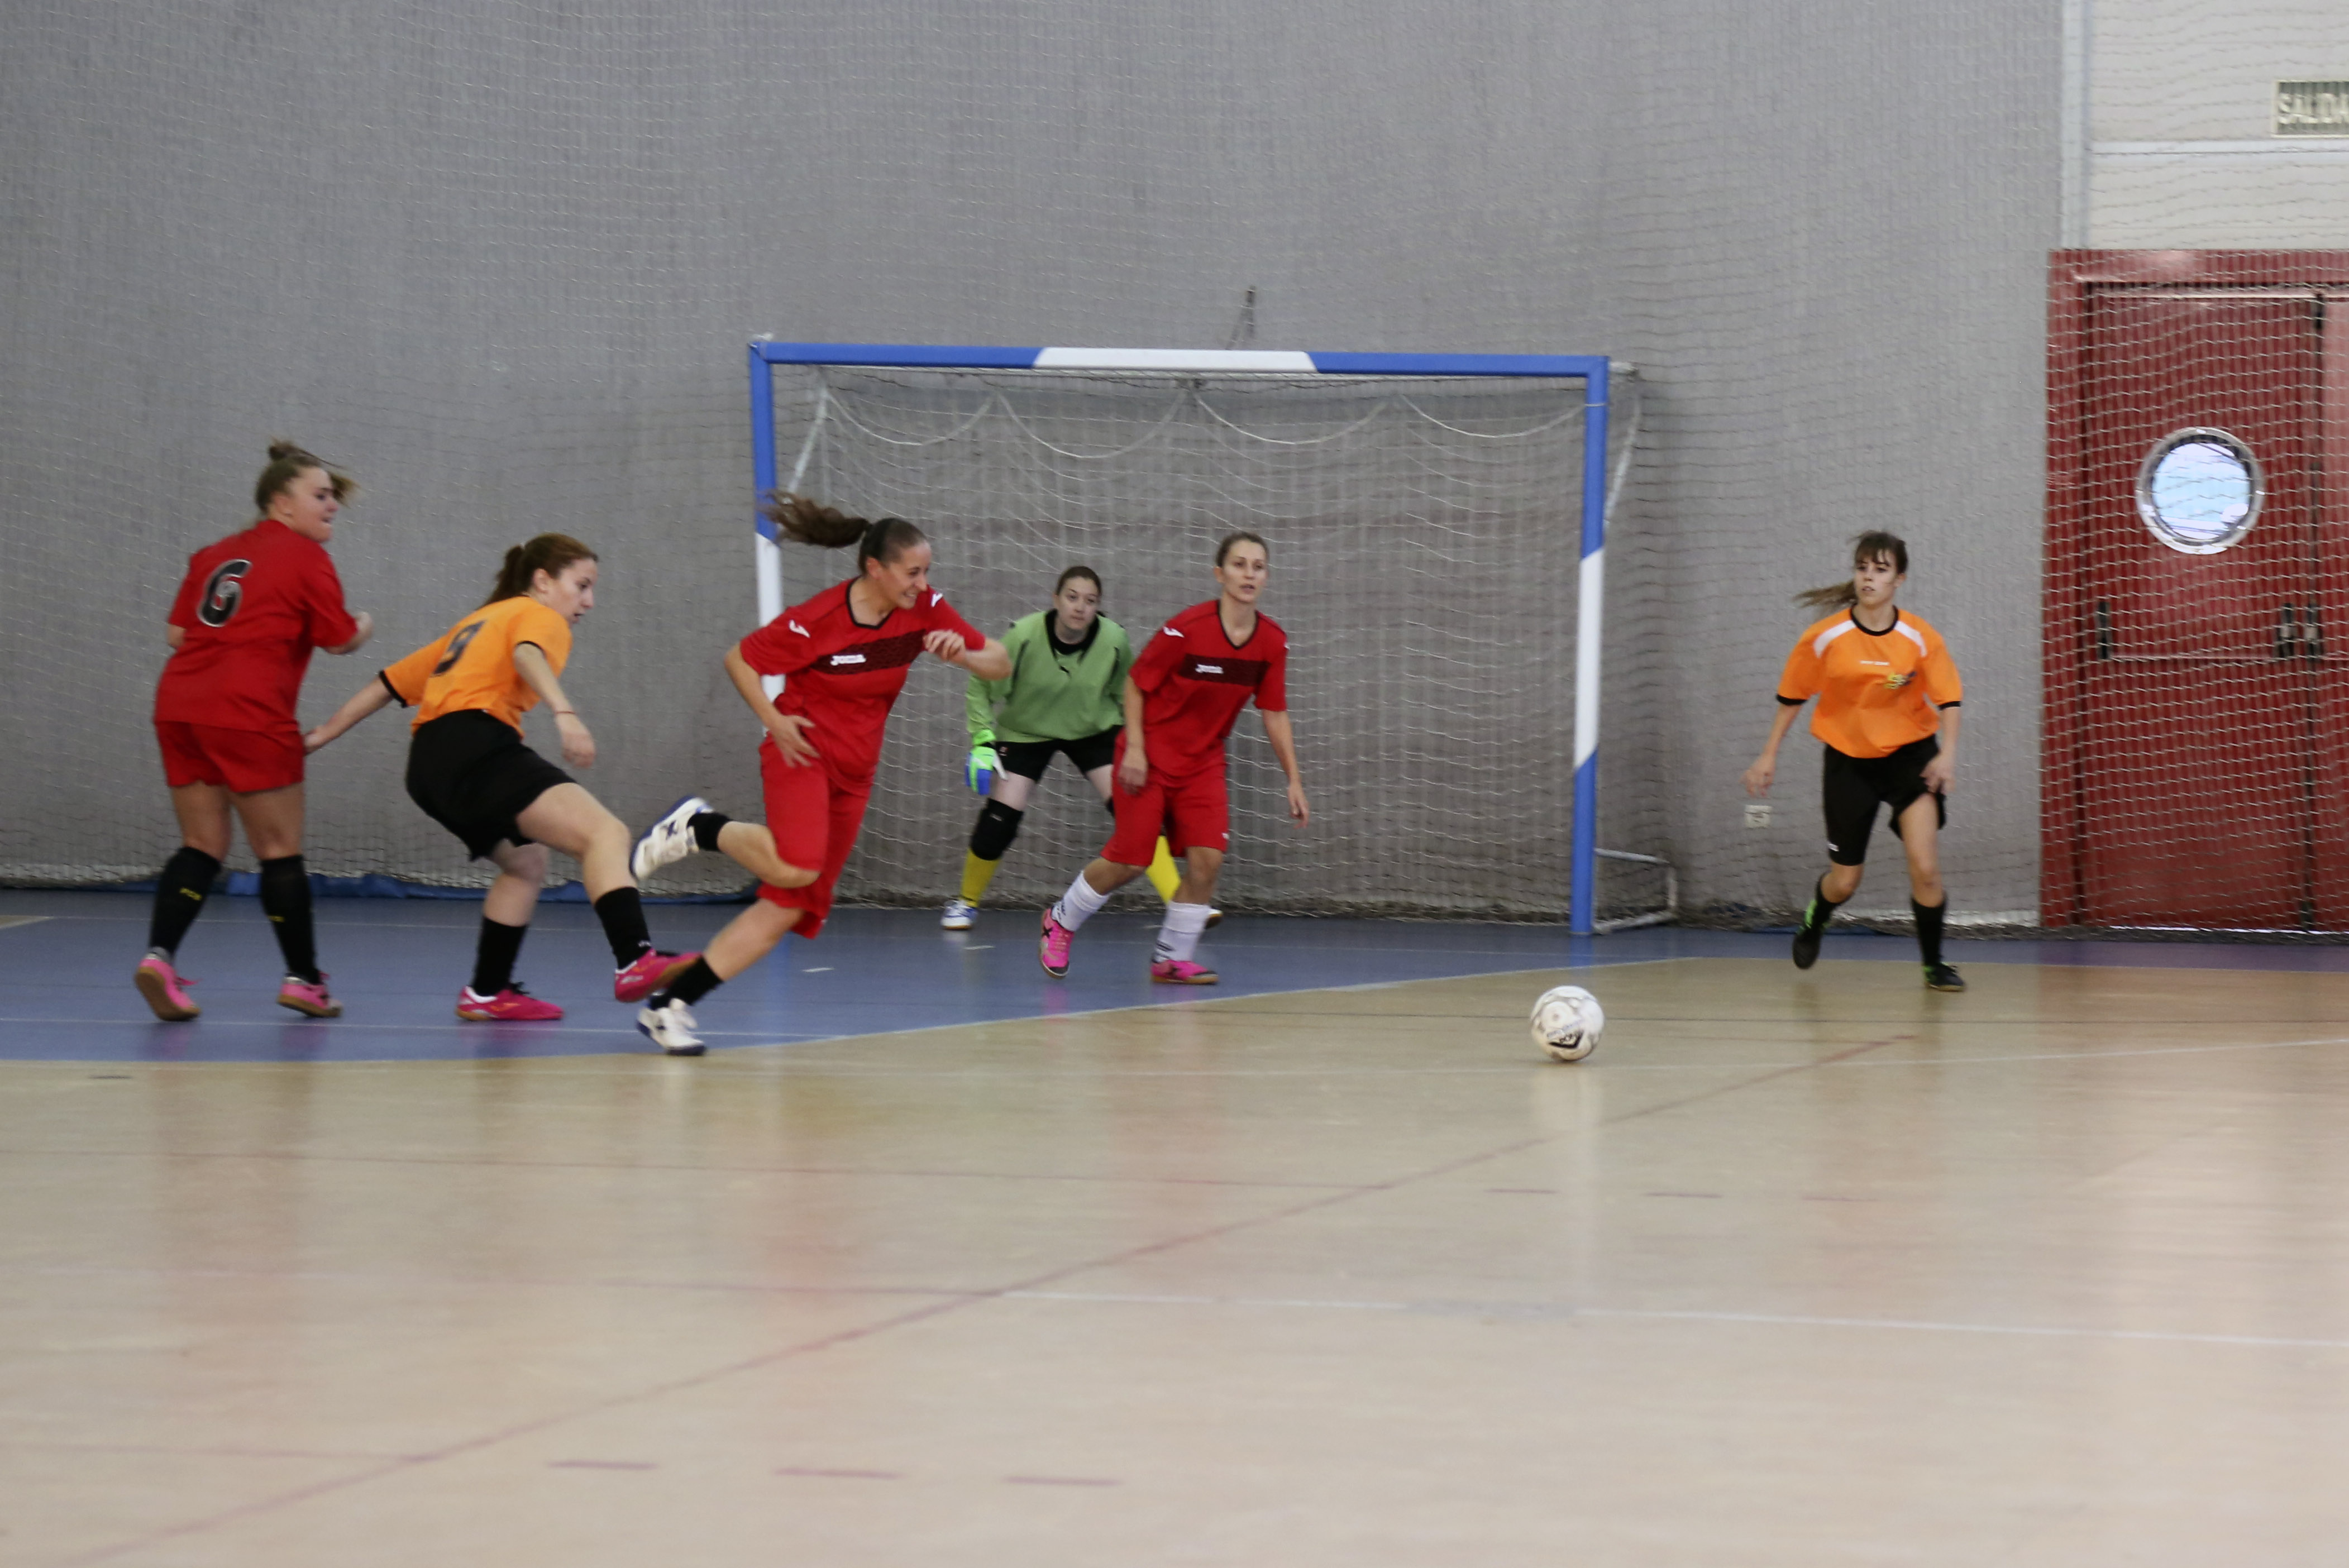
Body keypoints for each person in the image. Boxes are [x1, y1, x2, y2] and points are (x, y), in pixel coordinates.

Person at [627, 494, 1012, 1053]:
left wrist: (965, 657)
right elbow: (741, 660)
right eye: (912, 571)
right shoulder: (819, 621)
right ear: (874, 569)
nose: (921, 582)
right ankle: (699, 828)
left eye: (926, 571)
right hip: (802, 752)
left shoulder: (926, 607)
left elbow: (999, 661)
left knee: (788, 905)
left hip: (856, 772)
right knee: (799, 867)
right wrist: (773, 722)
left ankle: (670, 1005)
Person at [304, 534, 700, 1038]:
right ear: (542, 581)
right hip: (476, 747)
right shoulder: (538, 615)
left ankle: (486, 993)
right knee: (606, 834)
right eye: (581, 586)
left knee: (525, 863)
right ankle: (634, 960)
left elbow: (388, 684)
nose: (589, 602)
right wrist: (565, 713)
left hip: (427, 767)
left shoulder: (474, 624)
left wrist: (320, 734)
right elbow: (528, 654)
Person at [137, 442, 375, 1022]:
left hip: (181, 704)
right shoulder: (305, 557)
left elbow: (176, 635)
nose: (331, 506)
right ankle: (304, 980)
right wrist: (367, 626)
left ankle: (160, 958)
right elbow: (340, 637)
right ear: (282, 503)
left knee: (202, 845)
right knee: (278, 851)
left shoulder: (214, 554)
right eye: (320, 496)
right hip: (248, 711)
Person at [1037, 532, 1307, 984]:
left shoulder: (1272, 643)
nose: (1249, 574)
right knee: (1131, 860)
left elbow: (1275, 712)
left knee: (1208, 861)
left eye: (1258, 566)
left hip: (1203, 763)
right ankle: (1061, 920)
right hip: (1150, 754)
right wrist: (1137, 749)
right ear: (1220, 575)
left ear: (1266, 577)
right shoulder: (1187, 628)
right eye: (1239, 565)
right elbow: (1137, 685)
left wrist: (1294, 779)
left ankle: (1171, 958)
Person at [1742, 530, 1966, 992]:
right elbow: (1792, 697)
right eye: (1863, 568)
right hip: (1849, 762)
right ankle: (1815, 920)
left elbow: (1950, 700)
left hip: (1910, 759)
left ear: (1899, 579)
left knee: (1925, 867)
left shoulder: (1920, 638)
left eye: (1881, 570)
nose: (1869, 577)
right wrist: (1768, 755)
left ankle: (1933, 964)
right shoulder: (1825, 638)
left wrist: (1948, 754)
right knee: (1845, 883)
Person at [942, 564, 1201, 930]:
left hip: (1093, 728)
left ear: (1098, 607)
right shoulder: (1024, 636)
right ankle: (966, 902)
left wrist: (1139, 746)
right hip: (1026, 731)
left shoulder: (1113, 639)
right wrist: (982, 739)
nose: (1080, 607)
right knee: (999, 820)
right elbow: (980, 685)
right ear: (1056, 600)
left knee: (1137, 809)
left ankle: (1180, 902)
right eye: (1072, 597)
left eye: (1090, 601)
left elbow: (1130, 692)